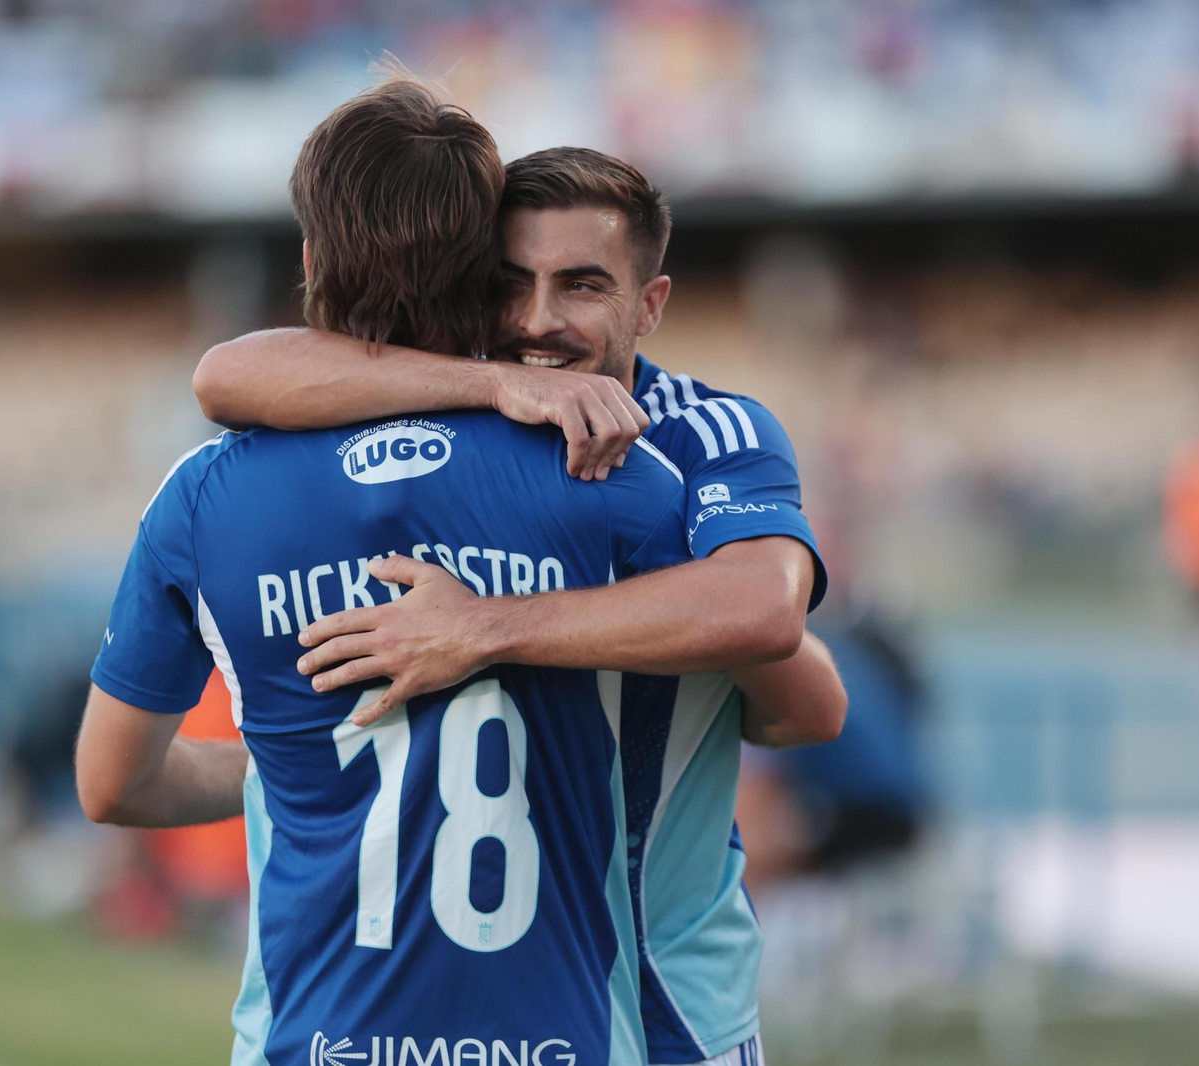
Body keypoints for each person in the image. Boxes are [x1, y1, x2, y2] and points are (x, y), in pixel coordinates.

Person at [77, 79, 700, 1065]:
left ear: (310, 260)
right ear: (488, 272)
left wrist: (295, 760)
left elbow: (112, 784)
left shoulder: (202, 497)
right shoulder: (617, 476)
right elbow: (778, 685)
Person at [193, 147, 847, 1065]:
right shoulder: (452, 411)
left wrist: (484, 629)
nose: (538, 321)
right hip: (484, 1013)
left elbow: (773, 627)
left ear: (649, 305)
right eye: (511, 283)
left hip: (674, 1006)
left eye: (582, 285)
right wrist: (494, 382)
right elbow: (225, 377)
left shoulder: (705, 434)